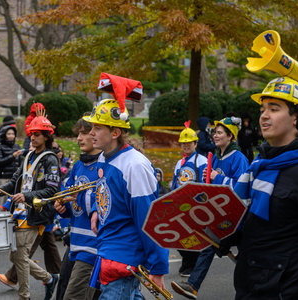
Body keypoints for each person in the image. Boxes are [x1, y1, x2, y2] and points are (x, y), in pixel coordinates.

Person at [232, 76, 298, 299]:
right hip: (248, 289)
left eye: (274, 108)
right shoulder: (259, 166)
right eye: (262, 109)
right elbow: (257, 227)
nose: (264, 116)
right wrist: (227, 234)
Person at [85, 98, 169, 299]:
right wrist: (97, 209)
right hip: (109, 251)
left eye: (97, 127)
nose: (90, 133)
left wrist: (157, 268)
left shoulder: (135, 166)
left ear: (115, 133)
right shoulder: (104, 156)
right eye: (92, 127)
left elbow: (150, 218)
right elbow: (107, 191)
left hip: (123, 259)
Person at [171, 116, 249, 299]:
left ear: (231, 136)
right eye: (215, 132)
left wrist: (217, 177)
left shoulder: (239, 158)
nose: (215, 135)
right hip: (221, 216)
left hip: (239, 217)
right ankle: (192, 286)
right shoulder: (214, 157)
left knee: (246, 262)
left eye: (220, 132)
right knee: (209, 242)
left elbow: (242, 188)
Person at [0, 112, 60, 300]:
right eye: (32, 133)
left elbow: (52, 192)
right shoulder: (28, 156)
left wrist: (26, 196)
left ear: (46, 136)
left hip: (36, 213)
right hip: (20, 212)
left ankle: (24, 296)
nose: (33, 136)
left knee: (20, 256)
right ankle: (48, 279)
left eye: (37, 134)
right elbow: (15, 180)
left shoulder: (50, 159)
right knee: (16, 256)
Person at [54, 116, 101, 300]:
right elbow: (72, 202)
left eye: (84, 133)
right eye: (78, 133)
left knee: (72, 296)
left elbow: (101, 206)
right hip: (75, 242)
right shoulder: (80, 165)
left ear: (95, 135)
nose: (79, 138)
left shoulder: (103, 166)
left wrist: (77, 197)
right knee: (62, 290)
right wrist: (63, 206)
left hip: (92, 246)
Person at [170, 121, 207, 279]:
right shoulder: (180, 162)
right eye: (183, 144)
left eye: (188, 143)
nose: (185, 146)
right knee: (179, 234)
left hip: (195, 203)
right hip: (179, 203)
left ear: (195, 143)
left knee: (193, 234)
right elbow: (175, 182)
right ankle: (188, 259)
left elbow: (205, 183)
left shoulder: (202, 161)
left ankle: (191, 262)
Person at [0, 125, 23, 204]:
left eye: (13, 134)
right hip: (4, 178)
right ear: (4, 135)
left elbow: (21, 163)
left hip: (14, 179)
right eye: (9, 134)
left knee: (12, 201)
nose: (11, 136)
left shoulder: (17, 146)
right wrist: (13, 156)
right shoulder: (0, 147)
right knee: (0, 201)